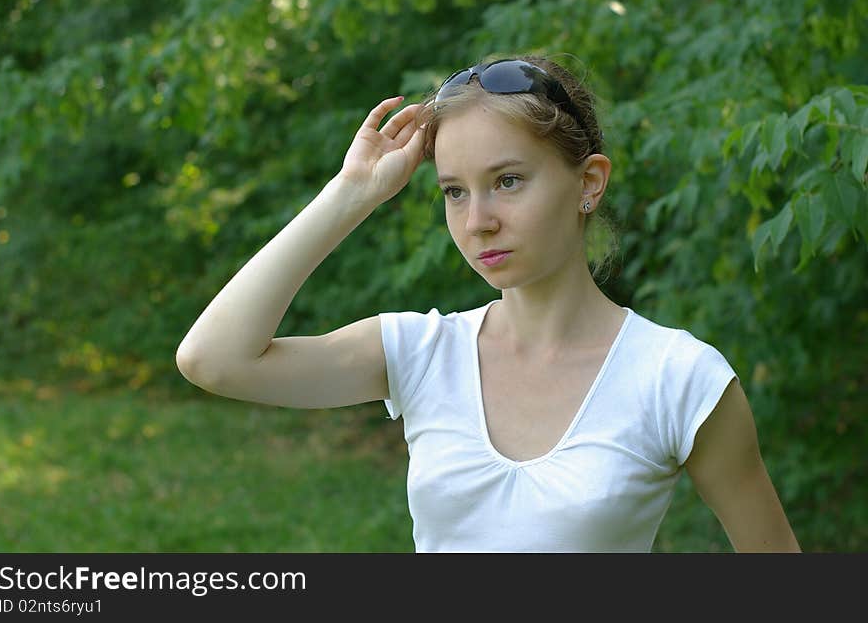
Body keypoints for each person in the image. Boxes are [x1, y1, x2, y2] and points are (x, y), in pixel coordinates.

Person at [176, 54, 801, 553]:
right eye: (453, 191)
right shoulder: (419, 353)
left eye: (507, 181)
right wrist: (352, 193)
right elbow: (213, 359)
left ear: (588, 183)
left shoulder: (678, 378)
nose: (478, 222)